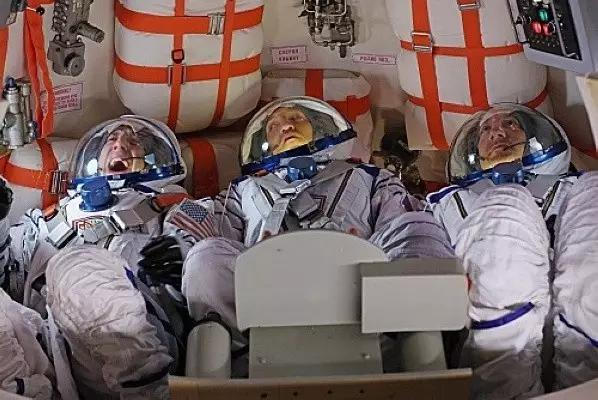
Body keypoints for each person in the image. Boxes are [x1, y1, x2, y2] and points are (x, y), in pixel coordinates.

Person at [140, 96, 455, 331]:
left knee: (417, 224)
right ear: (267, 143)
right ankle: (232, 351)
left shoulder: (368, 176)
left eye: (295, 118)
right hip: (262, 291)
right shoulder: (245, 189)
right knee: (206, 255)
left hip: (360, 288)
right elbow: (202, 217)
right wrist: (180, 243)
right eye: (274, 126)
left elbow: (401, 224)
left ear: (317, 129)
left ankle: (413, 334)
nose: (286, 126)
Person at [0, 115, 206, 399]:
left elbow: (206, 255)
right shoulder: (48, 220)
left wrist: (181, 256)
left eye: (133, 141)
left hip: (141, 346)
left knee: (77, 266)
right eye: (111, 140)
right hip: (51, 356)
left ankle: (149, 391)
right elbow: (6, 277)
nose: (119, 145)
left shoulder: (178, 206)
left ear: (153, 159)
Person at [428, 103, 598, 398]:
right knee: (504, 204)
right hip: (490, 345)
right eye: (486, 130)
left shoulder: (578, 188)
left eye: (510, 124)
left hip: (582, 340)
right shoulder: (448, 203)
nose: (497, 133)